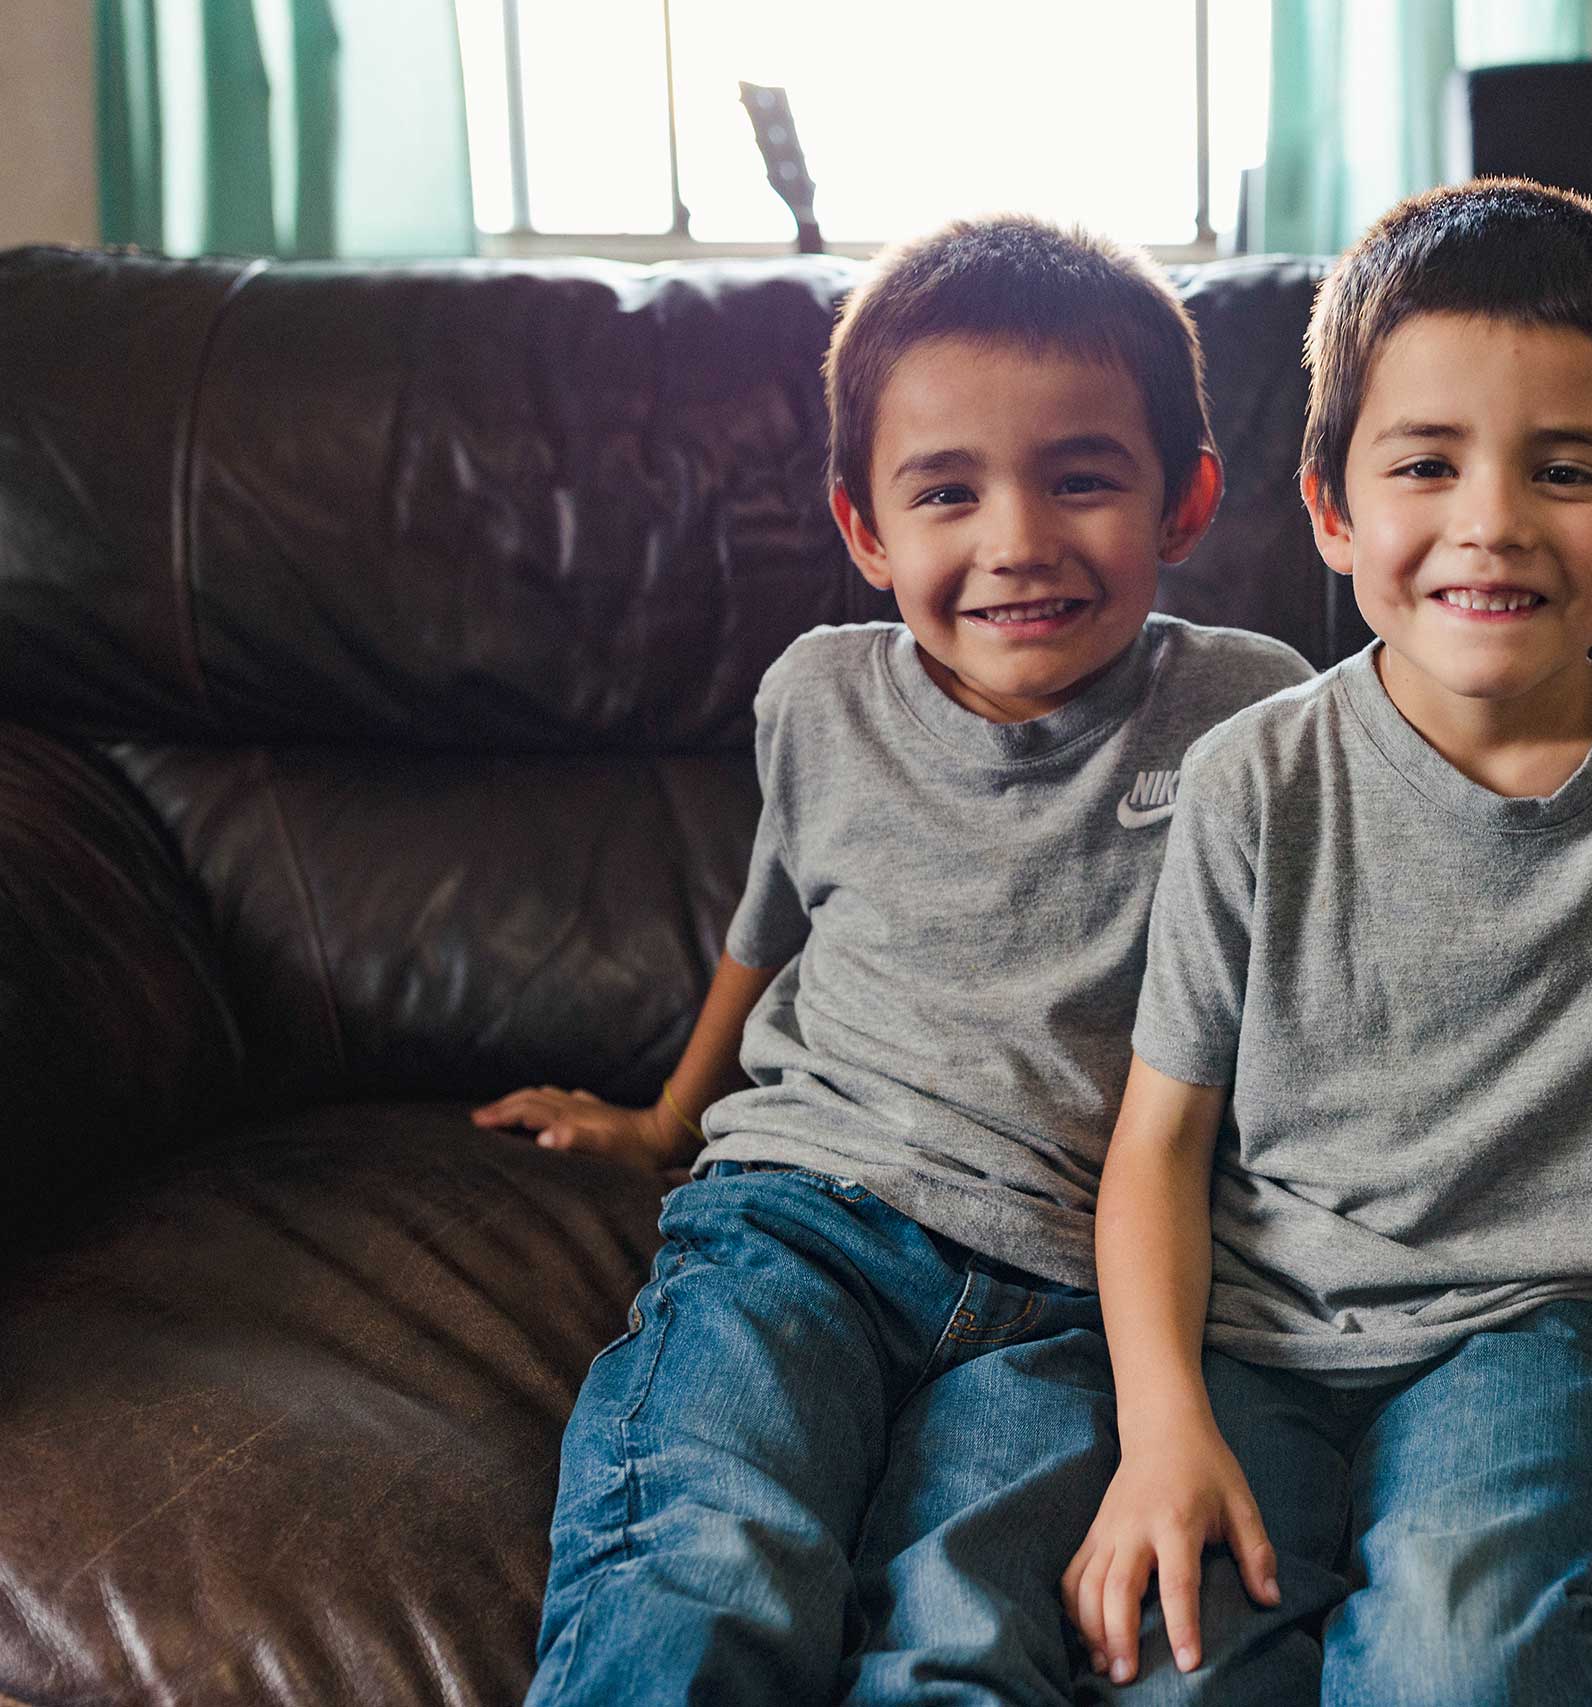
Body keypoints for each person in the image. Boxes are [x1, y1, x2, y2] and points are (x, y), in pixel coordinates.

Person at [1063, 178, 1592, 1704]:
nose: (1495, 523)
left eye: (1566, 470)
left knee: (1467, 1660)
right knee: (1181, 1662)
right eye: (1427, 463)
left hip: (1532, 1333)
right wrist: (1160, 1425)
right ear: (1333, 511)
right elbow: (1157, 1145)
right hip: (1259, 1329)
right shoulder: (1250, 782)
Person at [484, 214, 1313, 1705]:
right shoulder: (818, 696)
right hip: (800, 1223)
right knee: (704, 1557)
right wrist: (666, 1121)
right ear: (865, 529)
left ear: (1185, 501)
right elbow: (768, 922)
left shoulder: (1255, 716)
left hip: (1069, 1292)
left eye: (1082, 478)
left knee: (966, 1632)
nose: (1018, 543)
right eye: (947, 491)